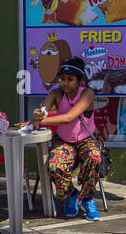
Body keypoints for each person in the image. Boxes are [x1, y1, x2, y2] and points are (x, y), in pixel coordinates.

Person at [32, 57, 104, 221]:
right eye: (62, 79)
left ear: (79, 80)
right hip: (64, 140)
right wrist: (38, 113)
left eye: (69, 79)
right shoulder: (56, 94)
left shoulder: (87, 94)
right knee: (54, 164)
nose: (64, 83)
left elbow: (68, 118)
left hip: (86, 139)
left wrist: (37, 121)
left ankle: (87, 198)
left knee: (94, 156)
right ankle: (71, 195)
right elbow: (43, 110)